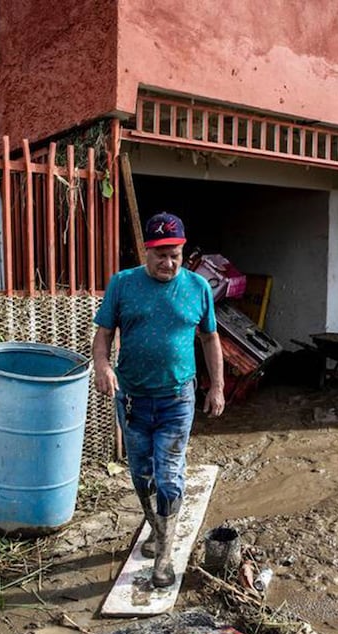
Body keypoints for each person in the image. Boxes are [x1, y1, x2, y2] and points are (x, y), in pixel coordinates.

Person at [91, 212, 225, 588]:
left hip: (177, 398)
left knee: (168, 477)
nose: (168, 263)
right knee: (141, 475)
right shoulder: (123, 284)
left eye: (175, 255)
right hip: (132, 399)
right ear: (146, 252)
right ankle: (157, 528)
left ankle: (164, 556)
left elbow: (210, 338)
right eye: (160, 255)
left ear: (184, 253)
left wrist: (217, 387)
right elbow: (103, 335)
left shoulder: (198, 287)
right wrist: (102, 366)